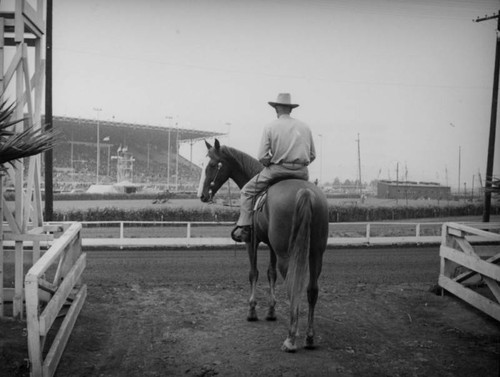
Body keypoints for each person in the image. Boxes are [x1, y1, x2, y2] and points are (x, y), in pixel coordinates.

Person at [232, 93, 316, 243]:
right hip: (302, 173)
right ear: (290, 109)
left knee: (247, 191)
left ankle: (245, 228)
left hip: (277, 170)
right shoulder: (305, 127)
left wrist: (270, 161)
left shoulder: (270, 126)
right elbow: (313, 155)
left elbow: (262, 156)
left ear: (277, 109)